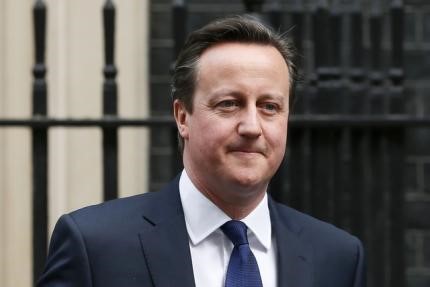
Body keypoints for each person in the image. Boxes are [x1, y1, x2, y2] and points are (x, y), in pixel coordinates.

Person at [37, 15, 365, 287]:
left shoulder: (336, 258)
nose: (252, 126)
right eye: (229, 104)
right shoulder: (95, 246)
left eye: (269, 106)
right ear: (183, 117)